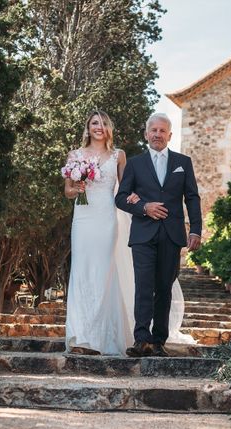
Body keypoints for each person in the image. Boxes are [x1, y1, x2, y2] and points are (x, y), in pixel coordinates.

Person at [65, 111, 195, 356]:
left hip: (106, 218)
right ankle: (81, 336)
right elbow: (68, 192)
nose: (99, 127)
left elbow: (126, 190)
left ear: (109, 128)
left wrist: (139, 202)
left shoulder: (120, 156)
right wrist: (77, 187)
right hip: (83, 217)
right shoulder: (75, 155)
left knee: (104, 274)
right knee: (81, 272)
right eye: (94, 123)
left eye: (103, 123)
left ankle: (104, 336)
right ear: (87, 127)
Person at [115, 112, 202, 357]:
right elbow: (121, 198)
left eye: (162, 131)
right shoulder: (135, 163)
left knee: (164, 287)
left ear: (170, 135)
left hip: (173, 235)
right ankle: (141, 338)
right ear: (146, 134)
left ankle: (158, 341)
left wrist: (195, 229)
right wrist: (144, 207)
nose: (157, 134)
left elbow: (192, 198)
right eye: (153, 130)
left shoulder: (182, 163)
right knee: (144, 286)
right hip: (143, 234)